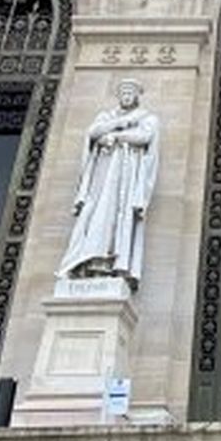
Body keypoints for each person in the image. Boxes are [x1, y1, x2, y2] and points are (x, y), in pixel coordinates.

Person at [59, 79, 161, 287]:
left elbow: (145, 136)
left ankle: (113, 264)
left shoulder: (146, 117)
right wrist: (116, 127)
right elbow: (93, 132)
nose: (126, 96)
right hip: (103, 175)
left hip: (126, 175)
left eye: (130, 93)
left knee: (117, 218)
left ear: (136, 96)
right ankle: (86, 262)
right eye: (123, 93)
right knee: (96, 213)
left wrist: (116, 136)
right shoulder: (107, 116)